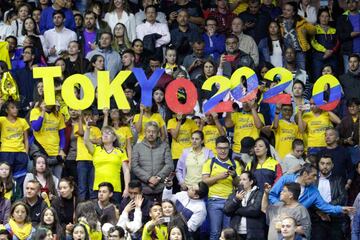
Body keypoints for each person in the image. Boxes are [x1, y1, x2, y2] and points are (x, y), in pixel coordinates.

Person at [268, 164, 354, 215]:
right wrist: (281, 207)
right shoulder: (286, 179)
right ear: (305, 174)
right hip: (279, 217)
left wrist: (340, 209)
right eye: (313, 175)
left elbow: (324, 206)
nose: (316, 178)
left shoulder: (313, 191)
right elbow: (272, 195)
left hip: (298, 223)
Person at [202, 136, 242, 240]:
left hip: (230, 201)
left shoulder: (235, 163)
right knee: (215, 233)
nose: (223, 151)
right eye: (220, 148)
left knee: (229, 233)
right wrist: (218, 177)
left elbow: (240, 184)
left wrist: (234, 176)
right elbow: (204, 182)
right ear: (216, 148)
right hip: (214, 200)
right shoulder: (209, 162)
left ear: (229, 148)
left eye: (225, 148)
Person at [84, 123, 130, 203]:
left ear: (114, 138)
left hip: (115, 189)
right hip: (98, 189)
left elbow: (126, 171)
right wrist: (87, 129)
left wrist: (126, 188)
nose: (105, 135)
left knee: (114, 213)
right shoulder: (96, 149)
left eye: (108, 133)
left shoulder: (121, 151)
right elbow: (86, 141)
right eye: (103, 133)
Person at [131, 121, 173, 202]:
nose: (151, 134)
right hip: (144, 188)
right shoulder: (137, 147)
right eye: (148, 131)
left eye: (153, 132)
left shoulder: (164, 146)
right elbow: (135, 166)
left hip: (161, 188)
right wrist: (149, 178)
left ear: (158, 133)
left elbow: (169, 165)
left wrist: (157, 178)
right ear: (145, 132)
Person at [310, 155, 347, 240]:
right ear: (318, 164)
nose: (325, 166)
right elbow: (308, 198)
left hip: (334, 217)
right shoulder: (312, 179)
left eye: (328, 164)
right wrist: (320, 212)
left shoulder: (339, 179)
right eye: (322, 163)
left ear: (332, 165)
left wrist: (326, 208)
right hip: (316, 217)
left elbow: (343, 197)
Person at [29, 99, 66, 179]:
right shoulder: (35, 111)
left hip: (56, 152)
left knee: (57, 180)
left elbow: (62, 135)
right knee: (43, 179)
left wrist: (62, 149)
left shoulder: (59, 115)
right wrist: (43, 112)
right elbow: (36, 127)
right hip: (41, 151)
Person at [223, 171, 266, 239]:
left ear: (251, 182)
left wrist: (236, 210)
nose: (241, 182)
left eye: (244, 179)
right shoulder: (234, 194)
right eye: (240, 179)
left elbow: (255, 211)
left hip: (254, 233)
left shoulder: (258, 193)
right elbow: (226, 210)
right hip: (236, 233)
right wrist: (236, 200)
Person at [0, 100, 29, 191]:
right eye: (12, 108)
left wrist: (26, 153)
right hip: (6, 151)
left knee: (20, 177)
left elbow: (26, 139)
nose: (15, 110)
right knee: (5, 176)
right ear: (6, 110)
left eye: (16, 107)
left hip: (20, 152)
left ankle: (17, 198)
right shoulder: (2, 120)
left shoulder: (23, 121)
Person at [278, 1, 316, 70]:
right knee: (285, 70)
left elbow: (313, 30)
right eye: (284, 9)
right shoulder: (279, 20)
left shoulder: (300, 20)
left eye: (288, 10)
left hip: (299, 50)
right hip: (286, 51)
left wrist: (305, 30)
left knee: (301, 70)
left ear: (293, 12)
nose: (285, 12)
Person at [311, 7, 339, 79]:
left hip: (332, 56)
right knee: (318, 78)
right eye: (322, 16)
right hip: (319, 57)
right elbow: (313, 42)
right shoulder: (314, 29)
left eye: (327, 16)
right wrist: (324, 50)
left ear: (329, 18)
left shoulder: (333, 30)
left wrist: (332, 51)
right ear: (319, 17)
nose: (324, 18)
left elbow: (338, 42)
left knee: (333, 78)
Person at [336, 0, 360, 72]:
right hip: (348, 52)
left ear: (357, 3)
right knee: (348, 76)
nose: (351, 4)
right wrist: (350, 34)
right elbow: (339, 36)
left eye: (353, 2)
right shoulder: (342, 18)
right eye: (348, 2)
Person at [337, 98, 360, 164]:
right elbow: (337, 136)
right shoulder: (344, 120)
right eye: (349, 106)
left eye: (353, 106)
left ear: (359, 107)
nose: (351, 108)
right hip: (348, 148)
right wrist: (345, 141)